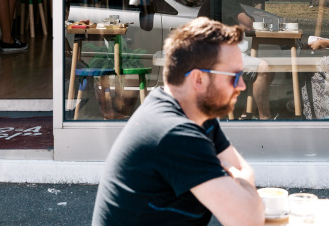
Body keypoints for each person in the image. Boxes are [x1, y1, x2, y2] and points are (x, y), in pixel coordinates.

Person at [91, 18, 265, 226]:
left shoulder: (196, 114)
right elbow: (248, 220)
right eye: (234, 76)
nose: (242, 85)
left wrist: (240, 179)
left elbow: (243, 176)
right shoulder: (174, 133)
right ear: (198, 79)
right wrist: (241, 178)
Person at [198, 0, 274, 119]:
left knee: (270, 70)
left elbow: (244, 24)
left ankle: (246, 113)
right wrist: (246, 19)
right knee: (264, 68)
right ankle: (265, 118)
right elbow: (248, 23)